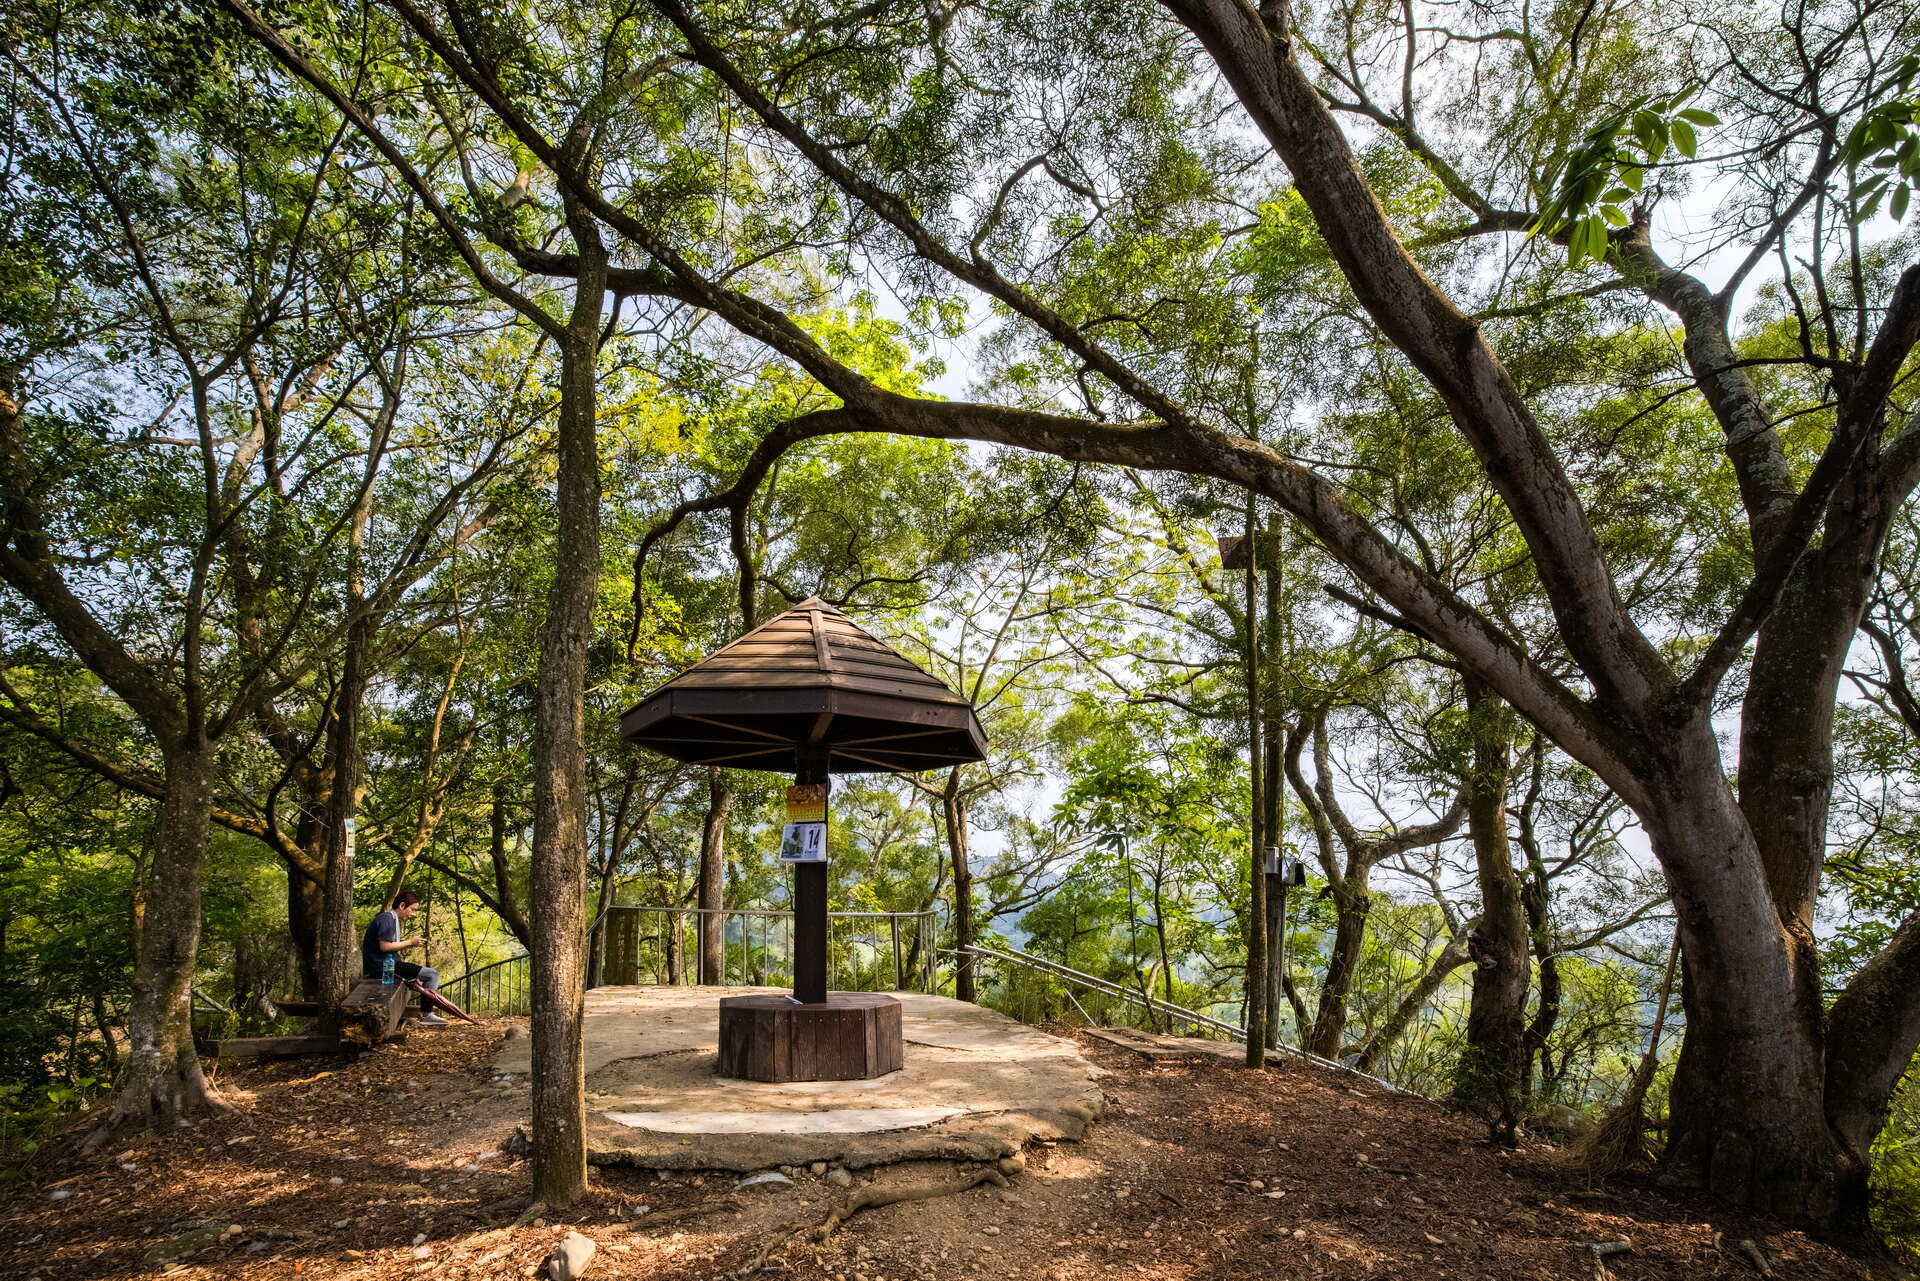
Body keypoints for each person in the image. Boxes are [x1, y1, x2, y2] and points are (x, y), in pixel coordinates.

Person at [362, 890, 446, 1025]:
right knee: (432, 975)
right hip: (381, 968)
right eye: (412, 909)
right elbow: (385, 946)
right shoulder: (387, 919)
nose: (412, 914)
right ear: (402, 906)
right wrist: (410, 942)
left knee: (427, 975)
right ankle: (427, 1015)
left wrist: (410, 975)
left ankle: (427, 1014)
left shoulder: (391, 918)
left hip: (387, 965)